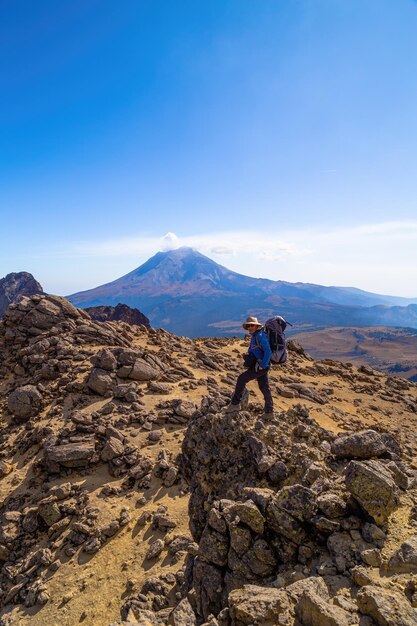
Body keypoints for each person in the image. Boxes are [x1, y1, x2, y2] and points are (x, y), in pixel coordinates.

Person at [225, 316, 274, 419]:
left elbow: (268, 351)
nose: (250, 327)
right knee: (264, 387)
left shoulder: (260, 335)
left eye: (252, 325)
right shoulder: (255, 335)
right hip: (259, 365)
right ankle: (269, 412)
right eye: (248, 326)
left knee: (241, 379)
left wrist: (262, 365)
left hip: (260, 365)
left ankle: (235, 404)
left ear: (256, 326)